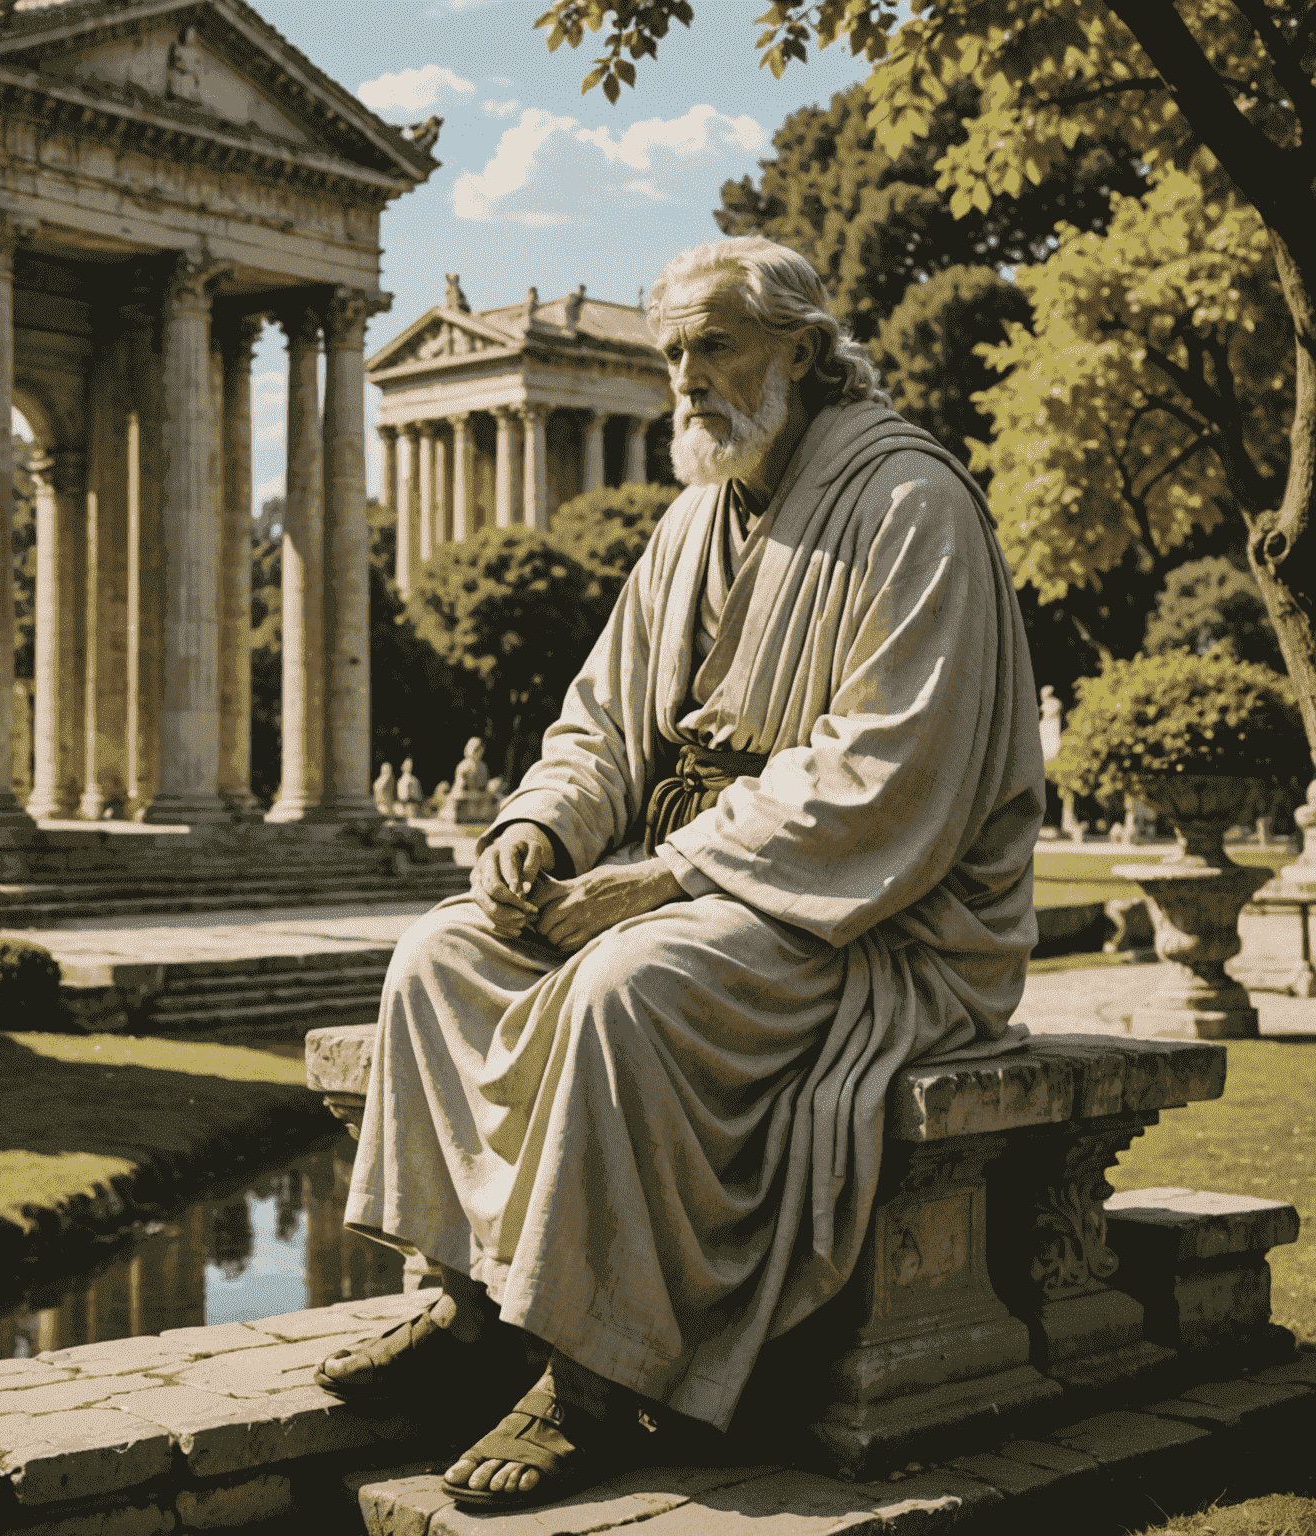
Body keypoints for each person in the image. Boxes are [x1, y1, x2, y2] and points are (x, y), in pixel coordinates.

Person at [317, 236, 1043, 1509]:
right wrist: (536, 833)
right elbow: (599, 728)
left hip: (872, 916)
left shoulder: (909, 500)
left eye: (716, 345)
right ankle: (471, 1304)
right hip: (716, 888)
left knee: (625, 988)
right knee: (440, 953)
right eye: (672, 354)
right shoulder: (694, 519)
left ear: (803, 351)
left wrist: (665, 877)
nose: (687, 379)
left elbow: (890, 774)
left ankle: (597, 1376)